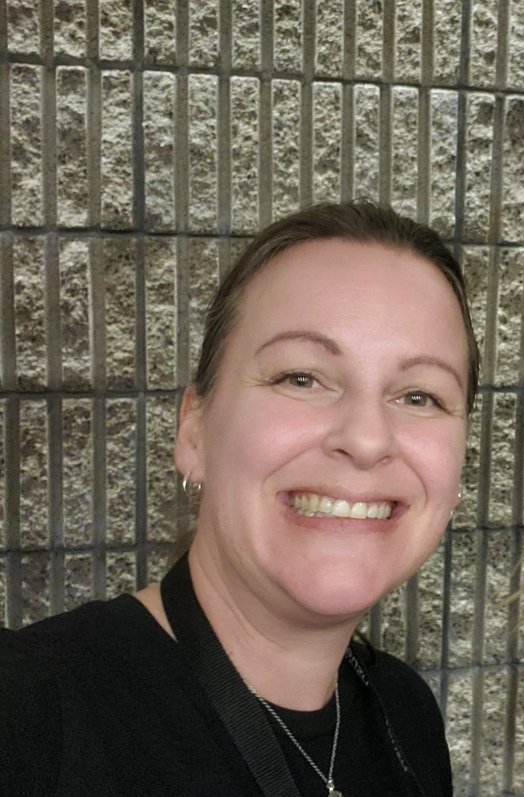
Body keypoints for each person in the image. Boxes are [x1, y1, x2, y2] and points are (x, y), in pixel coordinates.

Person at [0, 200, 478, 796]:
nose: (365, 439)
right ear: (194, 431)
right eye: (300, 378)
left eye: (419, 396)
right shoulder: (27, 713)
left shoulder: (405, 717)